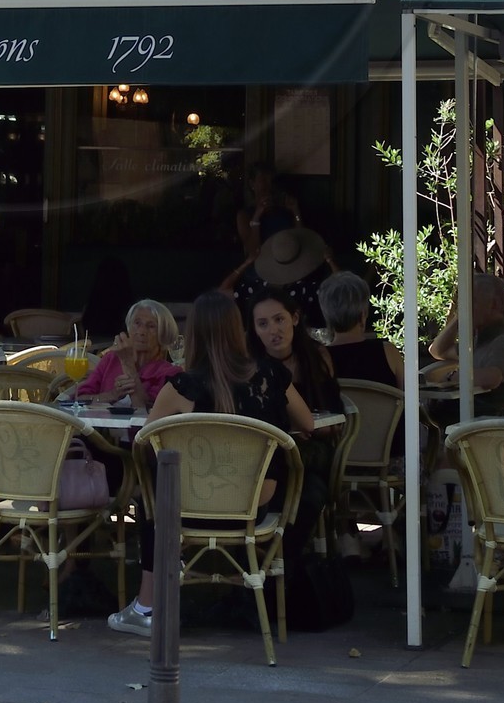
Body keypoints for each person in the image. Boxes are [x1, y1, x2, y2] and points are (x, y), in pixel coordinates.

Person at [107, 288, 313, 638]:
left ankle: (148, 607)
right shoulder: (272, 376)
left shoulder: (181, 387)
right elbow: (307, 425)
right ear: (239, 329)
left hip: (193, 508)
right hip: (254, 506)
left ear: (195, 334)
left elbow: (145, 442)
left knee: (152, 493)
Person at [425, 273, 504, 410]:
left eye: (472, 301)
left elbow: (492, 378)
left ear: (494, 304)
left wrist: (453, 377)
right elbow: (437, 350)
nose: (466, 307)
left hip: (480, 426)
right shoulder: (479, 341)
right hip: (464, 421)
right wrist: (459, 317)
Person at [71, 300, 181, 410]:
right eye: (137, 323)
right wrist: (112, 395)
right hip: (97, 427)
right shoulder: (111, 359)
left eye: (151, 326)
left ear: (163, 333)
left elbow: (145, 411)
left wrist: (127, 364)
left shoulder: (170, 373)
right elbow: (79, 399)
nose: (141, 331)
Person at [250, 289, 340, 417]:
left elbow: (335, 412)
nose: (273, 330)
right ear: (255, 330)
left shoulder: (316, 355)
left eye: (279, 319)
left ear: (295, 318)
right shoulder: (250, 366)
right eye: (263, 324)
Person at [317, 270, 404, 387]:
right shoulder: (388, 352)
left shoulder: (317, 361)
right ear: (363, 314)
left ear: (326, 315)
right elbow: (409, 399)